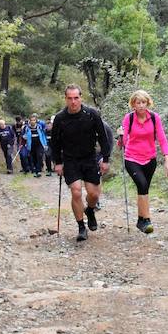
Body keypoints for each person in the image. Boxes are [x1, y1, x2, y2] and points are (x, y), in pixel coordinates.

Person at [50, 85, 113, 242]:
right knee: (76, 192)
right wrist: (58, 162)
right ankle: (81, 227)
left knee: (93, 194)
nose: (73, 102)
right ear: (65, 99)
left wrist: (105, 159)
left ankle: (90, 210)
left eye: (76, 98)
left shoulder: (92, 114)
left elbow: (103, 138)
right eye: (70, 98)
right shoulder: (60, 118)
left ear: (81, 98)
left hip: (89, 158)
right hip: (70, 160)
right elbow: (55, 143)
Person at [118, 90, 168, 234]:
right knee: (142, 185)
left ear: (148, 103)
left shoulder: (155, 118)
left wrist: (167, 160)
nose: (141, 106)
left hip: (150, 159)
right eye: (138, 103)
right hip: (132, 158)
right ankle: (147, 219)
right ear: (133, 104)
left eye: (144, 102)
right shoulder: (129, 118)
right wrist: (120, 136)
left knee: (144, 189)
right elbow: (122, 144)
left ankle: (140, 220)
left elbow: (162, 139)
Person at [25, 113, 48, 177]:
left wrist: (45, 144)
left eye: (34, 120)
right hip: (31, 145)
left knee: (39, 156)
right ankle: (36, 169)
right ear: (30, 121)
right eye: (31, 120)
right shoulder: (27, 128)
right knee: (34, 158)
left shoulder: (39, 127)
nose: (33, 121)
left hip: (39, 144)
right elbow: (24, 135)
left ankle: (38, 171)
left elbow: (43, 136)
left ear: (36, 121)